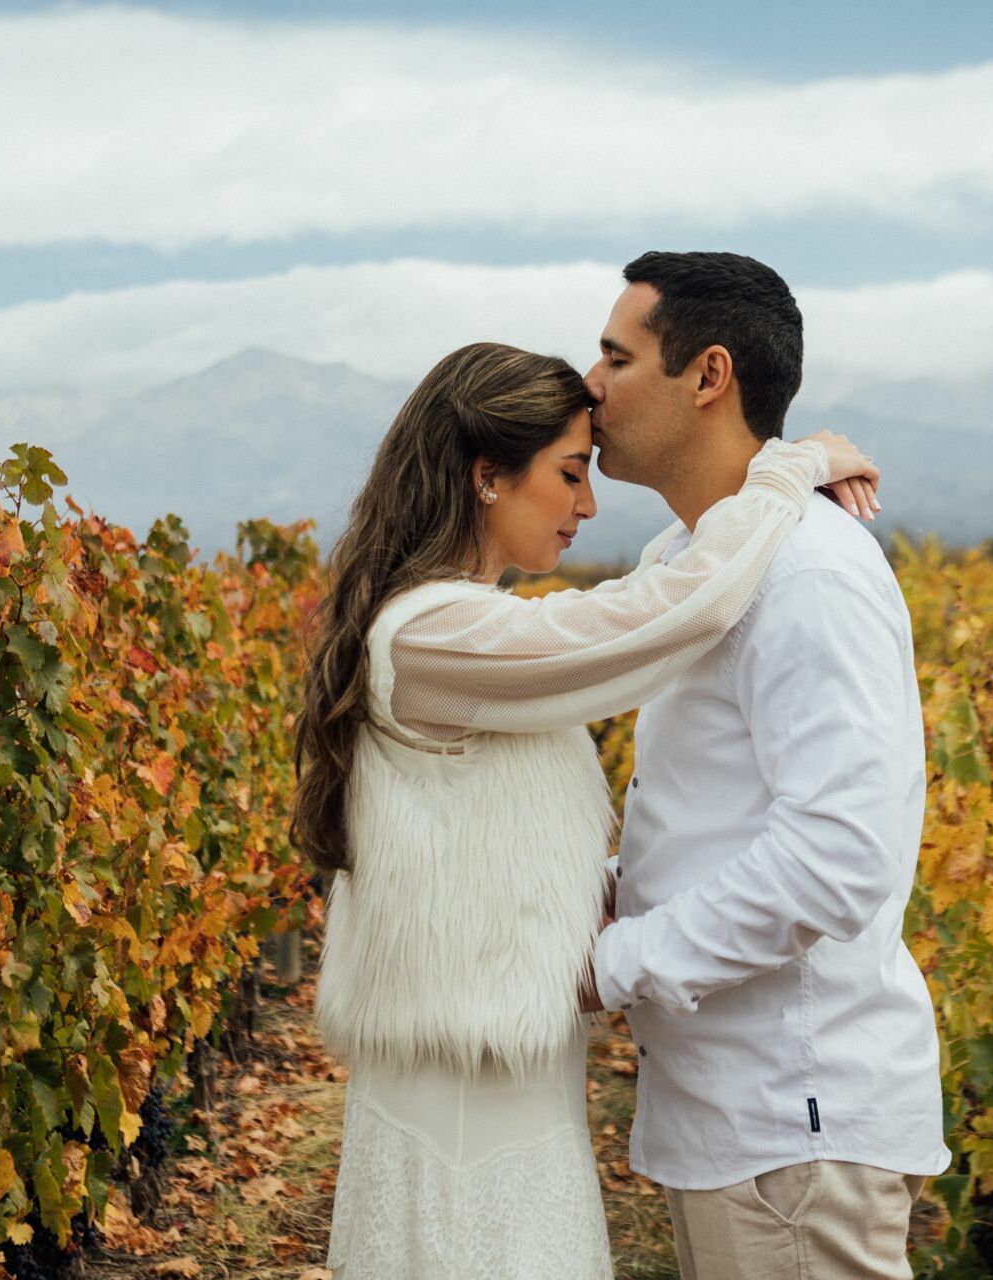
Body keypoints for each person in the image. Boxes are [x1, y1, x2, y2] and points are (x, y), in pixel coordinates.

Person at [296, 338, 880, 1277]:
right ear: (487, 477)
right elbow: (667, 617)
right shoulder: (434, 633)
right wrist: (786, 472)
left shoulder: (453, 628)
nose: (588, 503)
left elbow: (492, 841)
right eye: (570, 474)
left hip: (501, 1080)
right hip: (464, 1106)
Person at [579, 251, 951, 1280]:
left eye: (617, 355)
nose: (590, 385)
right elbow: (708, 817)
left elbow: (837, 853)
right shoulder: (688, 561)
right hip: (742, 1119)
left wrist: (611, 964)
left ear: (708, 375)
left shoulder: (808, 573)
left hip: (796, 1118)